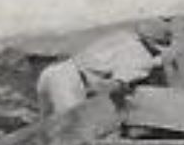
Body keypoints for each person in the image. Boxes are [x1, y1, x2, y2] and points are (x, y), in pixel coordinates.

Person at [36, 19, 174, 117]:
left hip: (52, 72)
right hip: (69, 85)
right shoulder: (143, 58)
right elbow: (112, 85)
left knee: (44, 135)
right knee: (73, 135)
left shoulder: (123, 36)